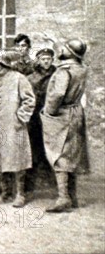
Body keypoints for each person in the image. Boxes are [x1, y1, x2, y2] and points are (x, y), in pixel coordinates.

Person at [42, 39, 90, 212]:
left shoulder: (64, 71)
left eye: (66, 48)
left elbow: (58, 94)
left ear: (71, 52)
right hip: (77, 111)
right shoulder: (82, 68)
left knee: (59, 154)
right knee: (72, 154)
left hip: (62, 114)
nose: (61, 49)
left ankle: (63, 198)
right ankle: (73, 196)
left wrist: (49, 112)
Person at [0, 50, 36, 207]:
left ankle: (20, 194)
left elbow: (29, 100)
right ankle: (5, 192)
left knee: (18, 160)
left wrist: (20, 117)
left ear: (5, 63)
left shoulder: (19, 78)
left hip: (14, 126)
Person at [26, 48, 57, 192]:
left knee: (52, 149)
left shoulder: (58, 76)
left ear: (52, 60)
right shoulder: (31, 78)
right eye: (43, 58)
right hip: (34, 118)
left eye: (48, 58)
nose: (46, 61)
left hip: (52, 117)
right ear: (38, 60)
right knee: (34, 148)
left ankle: (52, 183)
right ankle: (31, 183)